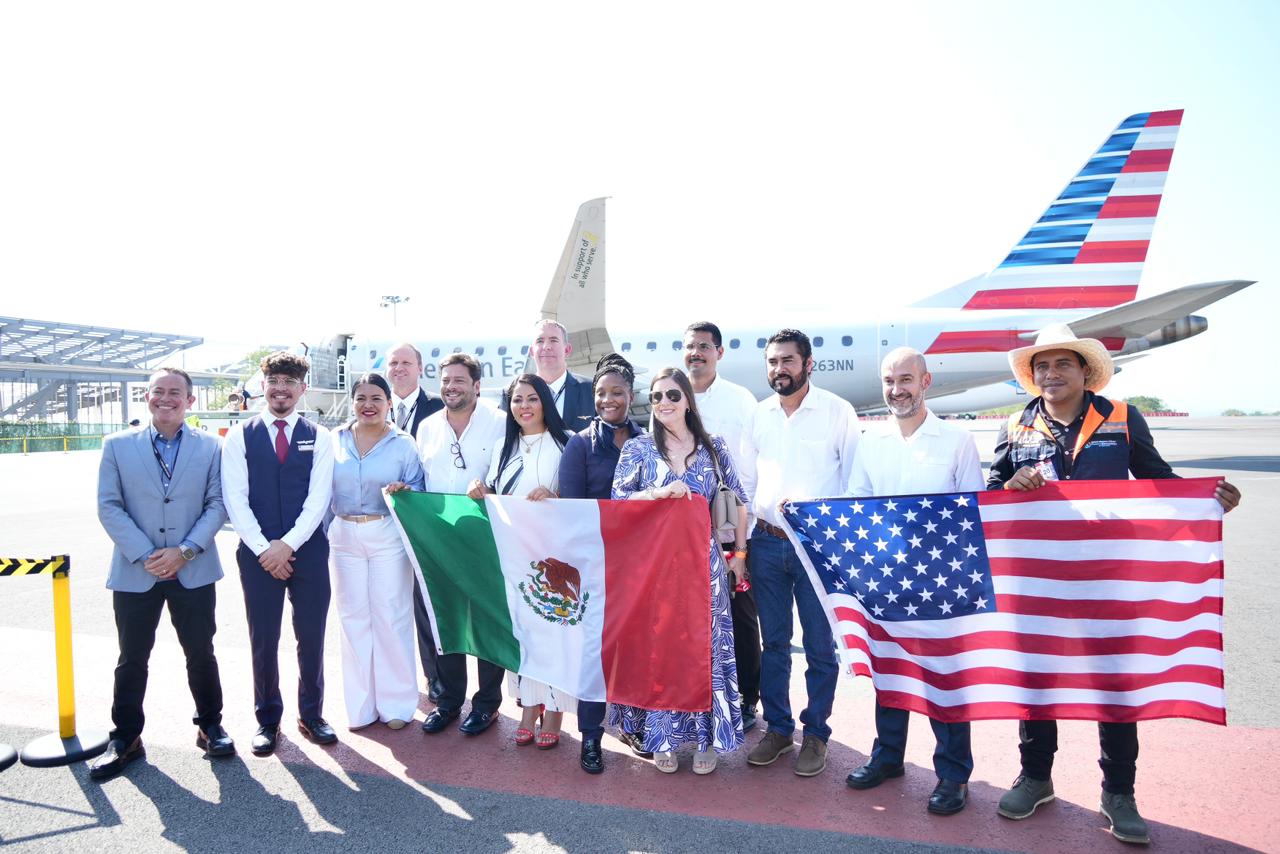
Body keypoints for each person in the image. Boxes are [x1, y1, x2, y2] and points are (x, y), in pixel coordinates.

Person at [987, 323, 1240, 845]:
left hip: (1108, 575)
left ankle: (1118, 792)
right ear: (1032, 377)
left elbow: (1159, 479)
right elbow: (991, 493)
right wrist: (1011, 485)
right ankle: (1035, 777)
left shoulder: (1123, 417)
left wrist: (1208, 497)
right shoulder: (1015, 424)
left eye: (1062, 364)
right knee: (1036, 678)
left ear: (1084, 371)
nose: (1051, 374)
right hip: (1040, 578)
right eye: (1042, 367)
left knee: (1115, 682)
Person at [843, 348, 981, 816]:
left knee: (946, 681)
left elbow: (972, 512)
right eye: (889, 381)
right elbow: (856, 502)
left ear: (926, 381)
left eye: (905, 379)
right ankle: (887, 758)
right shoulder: (871, 440)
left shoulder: (957, 440)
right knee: (888, 672)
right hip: (886, 580)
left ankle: (954, 774)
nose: (896, 390)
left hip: (942, 585)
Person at [90, 367, 233, 781]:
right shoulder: (116, 446)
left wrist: (185, 550)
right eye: (159, 391)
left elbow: (217, 503)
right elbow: (109, 506)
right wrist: (149, 554)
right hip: (138, 570)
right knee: (132, 658)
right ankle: (126, 738)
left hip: (194, 568)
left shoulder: (210, 448)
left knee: (201, 653)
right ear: (147, 397)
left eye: (176, 393)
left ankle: (210, 725)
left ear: (191, 401)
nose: (166, 399)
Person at [611, 367, 748, 775]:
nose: (664, 403)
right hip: (653, 569)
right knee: (660, 653)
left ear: (688, 399)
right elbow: (617, 503)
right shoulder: (636, 449)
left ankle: (707, 739)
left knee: (707, 650)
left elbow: (737, 503)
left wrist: (739, 555)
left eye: (672, 395)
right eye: (656, 397)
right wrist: (656, 492)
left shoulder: (713, 447)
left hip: (703, 565)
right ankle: (662, 737)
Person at [739, 328, 861, 778]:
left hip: (817, 545)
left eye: (788, 361)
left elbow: (854, 483)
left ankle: (816, 734)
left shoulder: (836, 412)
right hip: (767, 543)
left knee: (818, 646)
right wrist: (743, 544)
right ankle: (777, 729)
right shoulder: (760, 415)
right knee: (773, 643)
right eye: (773, 362)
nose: (779, 370)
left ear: (808, 364)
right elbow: (747, 486)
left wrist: (837, 542)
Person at [221, 351, 336, 756]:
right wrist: (264, 548)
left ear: (302, 389)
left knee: (312, 637)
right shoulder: (239, 437)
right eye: (274, 382)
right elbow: (235, 499)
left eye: (289, 382)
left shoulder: (320, 437)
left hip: (307, 550)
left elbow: (319, 499)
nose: (281, 389)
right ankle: (267, 719)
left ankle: (312, 713)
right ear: (264, 387)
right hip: (257, 553)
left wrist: (288, 545)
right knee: (263, 638)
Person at [468, 374, 573, 745]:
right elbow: (495, 492)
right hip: (515, 554)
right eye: (516, 400)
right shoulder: (503, 447)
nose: (524, 406)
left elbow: (580, 499)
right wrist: (480, 490)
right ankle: (529, 705)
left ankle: (556, 709)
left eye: (531, 398)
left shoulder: (567, 443)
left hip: (556, 555)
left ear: (545, 401)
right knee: (524, 631)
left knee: (553, 630)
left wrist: (556, 495)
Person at [557, 354, 647, 774]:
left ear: (631, 396)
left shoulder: (649, 442)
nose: (607, 400)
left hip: (638, 566)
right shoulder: (580, 445)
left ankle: (634, 725)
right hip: (594, 566)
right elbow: (573, 512)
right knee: (594, 653)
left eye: (616, 392)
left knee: (634, 649)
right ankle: (590, 736)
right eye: (600, 393)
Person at [415, 353, 509, 736]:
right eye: (445, 380)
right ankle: (450, 701)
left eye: (459, 380)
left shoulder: (501, 423)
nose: (451, 386)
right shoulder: (426, 427)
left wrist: (489, 488)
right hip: (440, 542)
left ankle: (487, 704)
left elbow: (507, 475)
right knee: (446, 619)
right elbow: (420, 480)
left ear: (476, 385)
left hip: (486, 538)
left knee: (486, 621)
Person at [330, 372, 425, 731]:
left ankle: (397, 704)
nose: (368, 406)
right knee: (352, 618)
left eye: (376, 399)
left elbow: (419, 486)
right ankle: (360, 706)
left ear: (389, 403)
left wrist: (406, 490)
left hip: (386, 531)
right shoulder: (334, 440)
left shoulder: (404, 443)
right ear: (352, 403)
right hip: (344, 534)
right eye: (361, 399)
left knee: (391, 614)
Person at [682, 321, 762, 733]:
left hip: (729, 525)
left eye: (703, 347)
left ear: (719, 352)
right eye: (690, 347)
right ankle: (702, 696)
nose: (696, 353)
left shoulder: (739, 400)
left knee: (740, 614)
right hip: (681, 529)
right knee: (692, 617)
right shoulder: (672, 395)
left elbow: (748, 470)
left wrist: (742, 539)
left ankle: (748, 699)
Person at [385, 342, 446, 701]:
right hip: (381, 526)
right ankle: (394, 679)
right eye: (394, 362)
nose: (399, 368)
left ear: (420, 368)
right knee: (391, 606)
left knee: (428, 608)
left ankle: (435, 679)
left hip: (426, 526)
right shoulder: (375, 405)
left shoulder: (439, 408)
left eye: (406, 362)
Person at [503, 319, 595, 431]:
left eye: (553, 340)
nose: (546, 346)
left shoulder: (591, 390)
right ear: (532, 352)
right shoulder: (510, 394)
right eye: (540, 341)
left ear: (567, 350)